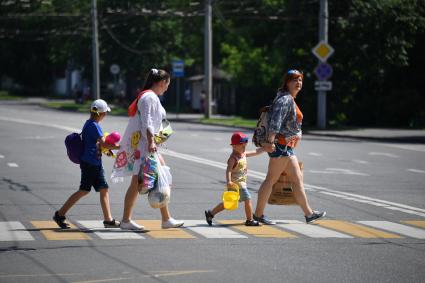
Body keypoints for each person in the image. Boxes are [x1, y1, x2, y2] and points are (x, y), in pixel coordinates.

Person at [112, 68, 184, 230]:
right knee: (137, 183)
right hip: (145, 147)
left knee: (160, 179)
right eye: (167, 84)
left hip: (147, 146)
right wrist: (151, 141)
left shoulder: (149, 96)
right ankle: (126, 220)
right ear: (161, 83)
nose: (167, 87)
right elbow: (147, 122)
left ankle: (165, 218)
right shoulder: (149, 97)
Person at [253, 69, 326, 225]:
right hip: (280, 146)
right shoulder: (285, 99)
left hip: (287, 146)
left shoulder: (288, 98)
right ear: (287, 82)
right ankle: (258, 214)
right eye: (294, 80)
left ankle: (309, 213)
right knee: (270, 180)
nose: (298, 83)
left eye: (300, 80)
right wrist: (270, 142)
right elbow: (276, 122)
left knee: (297, 179)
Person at [53, 99, 121, 229]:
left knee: (103, 189)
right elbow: (104, 143)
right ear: (101, 114)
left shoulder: (88, 123)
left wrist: (103, 150)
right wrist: (121, 147)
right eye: (105, 113)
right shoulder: (94, 126)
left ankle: (108, 219)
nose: (105, 115)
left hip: (93, 161)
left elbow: (94, 144)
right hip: (90, 163)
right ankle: (60, 214)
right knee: (84, 190)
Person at [205, 132, 265, 226]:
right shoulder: (233, 158)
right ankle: (250, 220)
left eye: (245, 146)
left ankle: (210, 213)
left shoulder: (243, 154)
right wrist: (228, 181)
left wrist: (264, 149)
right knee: (248, 199)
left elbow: (255, 152)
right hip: (237, 184)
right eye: (242, 146)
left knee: (229, 202)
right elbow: (228, 170)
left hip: (240, 184)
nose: (244, 148)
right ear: (234, 146)